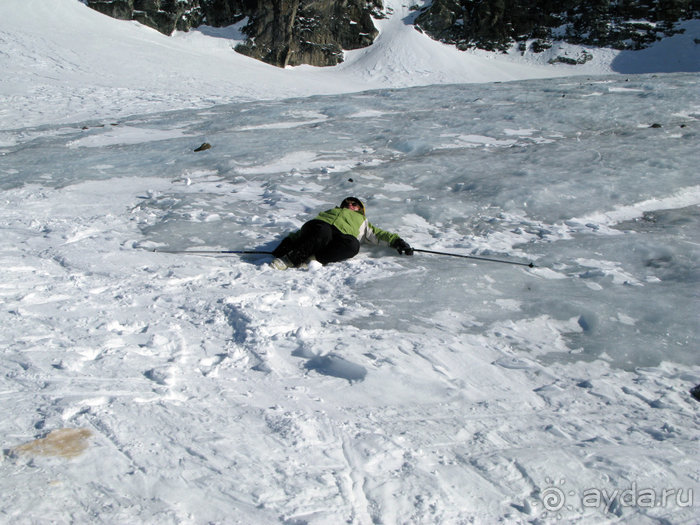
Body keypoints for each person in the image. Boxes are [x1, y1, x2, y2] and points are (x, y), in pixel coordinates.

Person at [270, 197, 413, 270]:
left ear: (360, 210)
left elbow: (380, 235)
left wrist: (398, 242)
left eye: (354, 204)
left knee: (352, 245)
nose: (349, 205)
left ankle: (313, 258)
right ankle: (290, 259)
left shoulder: (363, 221)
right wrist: (288, 241)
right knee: (323, 231)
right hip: (319, 228)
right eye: (347, 203)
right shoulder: (331, 211)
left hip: (340, 237)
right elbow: (301, 232)